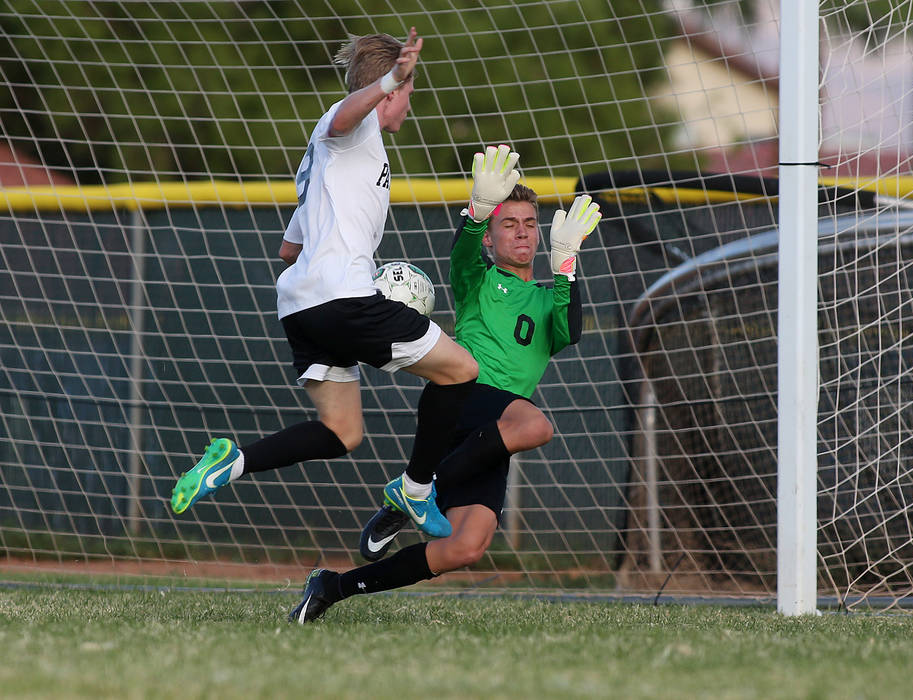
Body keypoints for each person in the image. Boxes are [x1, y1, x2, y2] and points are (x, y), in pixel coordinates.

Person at [170, 29, 501, 539]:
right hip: (341, 299)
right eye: (408, 92)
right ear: (390, 92)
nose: (409, 104)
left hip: (303, 307)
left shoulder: (323, 161)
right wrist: (393, 76)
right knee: (460, 371)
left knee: (342, 432)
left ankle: (231, 463)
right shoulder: (353, 127)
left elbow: (289, 250)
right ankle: (415, 490)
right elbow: (347, 114)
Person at [287, 145, 602, 623]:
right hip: (466, 399)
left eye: (529, 224)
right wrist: (476, 211)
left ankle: (333, 586)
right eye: (508, 223)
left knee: (464, 548)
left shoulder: (548, 297)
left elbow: (570, 328)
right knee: (537, 426)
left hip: (492, 433)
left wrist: (567, 263)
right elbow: (462, 252)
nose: (521, 232)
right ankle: (417, 489)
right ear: (491, 241)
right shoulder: (478, 278)